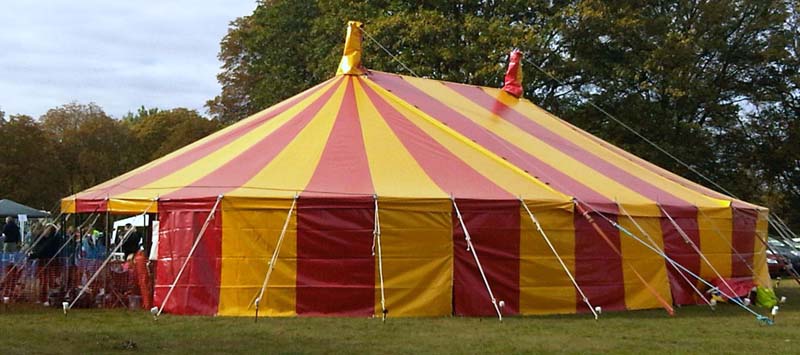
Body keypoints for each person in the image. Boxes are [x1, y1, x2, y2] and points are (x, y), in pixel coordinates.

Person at [29, 224, 61, 304]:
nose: (45, 231)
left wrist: (34, 255)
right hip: (42, 262)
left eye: (48, 230)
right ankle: (42, 298)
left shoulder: (52, 240)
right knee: (42, 281)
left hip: (49, 262)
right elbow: (37, 246)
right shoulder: (42, 239)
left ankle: (49, 299)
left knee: (49, 281)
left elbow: (43, 250)